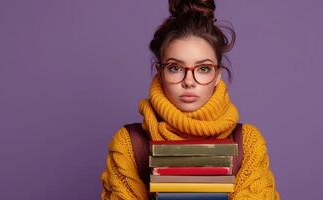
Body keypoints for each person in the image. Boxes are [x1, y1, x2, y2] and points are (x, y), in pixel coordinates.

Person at [100, 0, 280, 199]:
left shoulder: (248, 143)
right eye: (175, 68)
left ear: (218, 75)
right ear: (160, 73)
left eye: (203, 69)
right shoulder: (129, 145)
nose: (188, 82)